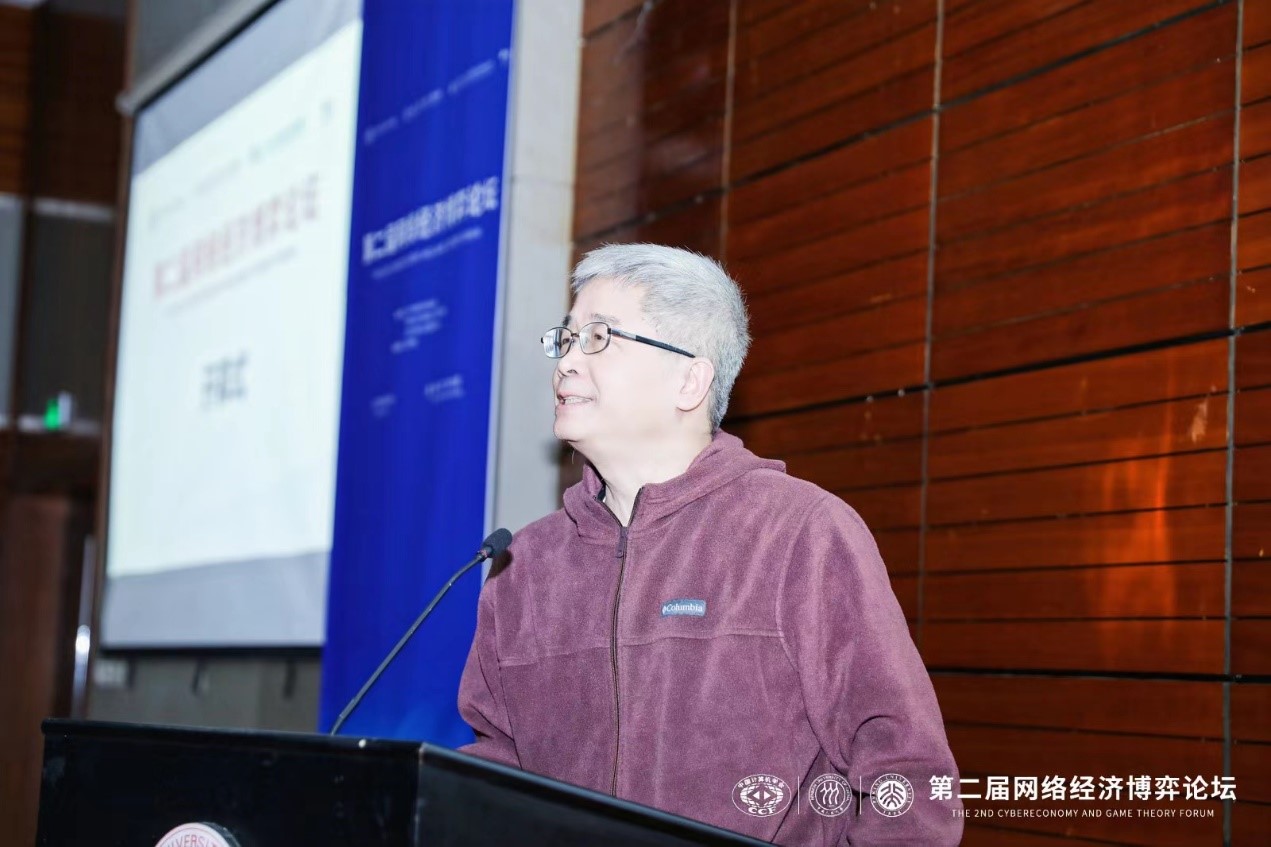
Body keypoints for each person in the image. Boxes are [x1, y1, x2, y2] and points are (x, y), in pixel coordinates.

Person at [457, 243, 963, 845]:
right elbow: (497, 771)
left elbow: (910, 779)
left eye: (598, 338)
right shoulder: (524, 564)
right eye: (565, 339)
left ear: (690, 380)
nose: (565, 362)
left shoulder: (800, 534)